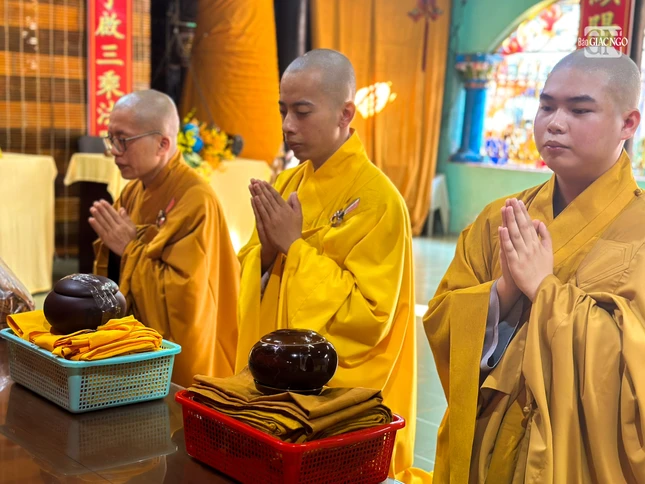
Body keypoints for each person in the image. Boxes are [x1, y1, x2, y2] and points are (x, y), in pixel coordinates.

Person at [424, 48, 645, 482]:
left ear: (628, 123)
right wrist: (503, 293)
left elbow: (634, 373)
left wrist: (544, 290)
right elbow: (441, 320)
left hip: (573, 459)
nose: (555, 123)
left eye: (579, 110)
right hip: (487, 444)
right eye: (546, 106)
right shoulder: (500, 218)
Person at [236, 49, 429, 482]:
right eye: (283, 111)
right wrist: (266, 253)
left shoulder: (379, 200)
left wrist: (294, 248)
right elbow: (250, 270)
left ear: (346, 113)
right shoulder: (288, 181)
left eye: (302, 112)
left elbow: (369, 316)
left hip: (334, 397)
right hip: (275, 381)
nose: (288, 125)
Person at [90, 90, 240, 388]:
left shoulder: (195, 199)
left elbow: (187, 298)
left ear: (163, 144)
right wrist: (122, 249)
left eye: (123, 140)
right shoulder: (133, 191)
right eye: (111, 139)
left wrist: (130, 248)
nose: (114, 151)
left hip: (186, 355)